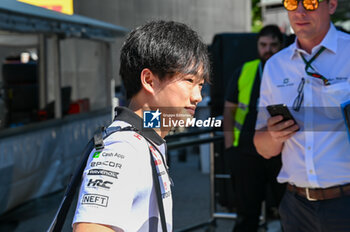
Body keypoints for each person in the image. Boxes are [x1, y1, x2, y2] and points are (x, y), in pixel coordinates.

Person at [72, 20, 210, 232]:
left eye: (200, 84)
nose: (198, 96)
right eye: (189, 80)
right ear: (149, 80)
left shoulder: (146, 138)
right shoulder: (123, 147)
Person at [254, 0, 350, 231]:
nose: (299, 11)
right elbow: (263, 148)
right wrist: (274, 135)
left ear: (332, 5)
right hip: (296, 208)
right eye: (290, 3)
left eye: (310, 2)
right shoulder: (275, 65)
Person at [223, 25, 285, 232]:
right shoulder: (245, 71)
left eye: (273, 45)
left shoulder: (289, 70)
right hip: (245, 154)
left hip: (283, 155)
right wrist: (230, 148)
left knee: (289, 213)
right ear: (257, 46)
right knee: (246, 216)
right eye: (263, 45)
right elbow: (229, 111)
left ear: (281, 45)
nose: (268, 49)